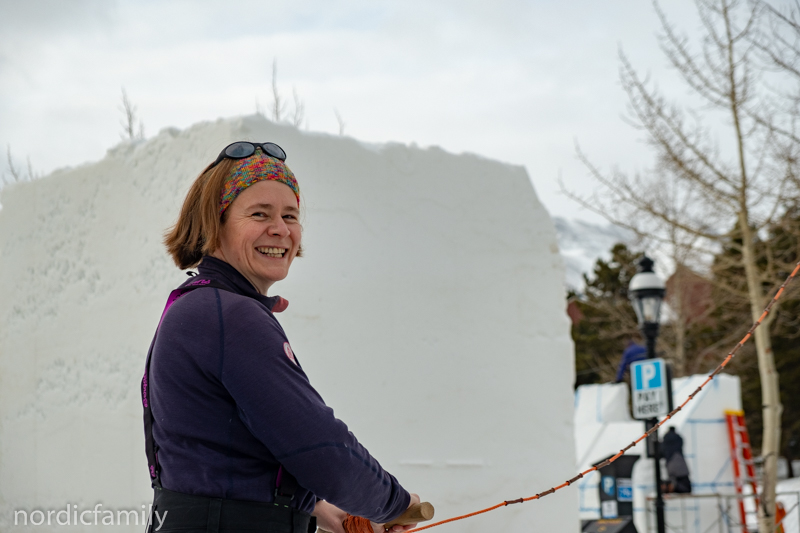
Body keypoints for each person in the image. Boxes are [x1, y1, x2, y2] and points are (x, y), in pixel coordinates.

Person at [142, 141, 421, 533]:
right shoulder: (229, 316)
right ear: (214, 223)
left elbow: (219, 459)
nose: (281, 229)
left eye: (290, 215)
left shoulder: (200, 307)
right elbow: (321, 449)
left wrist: (315, 511)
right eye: (260, 213)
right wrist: (396, 503)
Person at [661, 427, 691, 494]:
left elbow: (662, 450)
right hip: (680, 464)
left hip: (671, 463)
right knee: (684, 486)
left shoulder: (666, 438)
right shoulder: (678, 437)